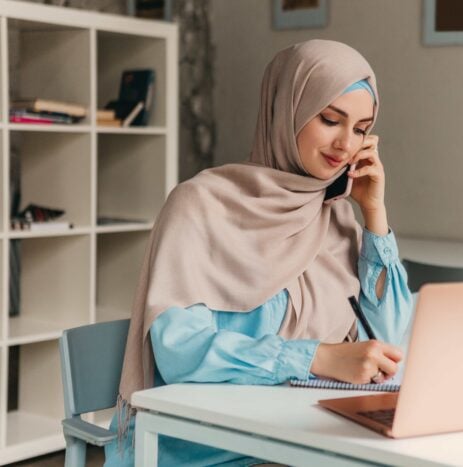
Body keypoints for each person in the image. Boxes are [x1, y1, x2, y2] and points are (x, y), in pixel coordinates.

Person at [104, 39, 413, 467]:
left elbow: (390, 343)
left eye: (360, 129)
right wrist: (317, 358)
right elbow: (179, 351)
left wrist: (375, 214)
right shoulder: (201, 205)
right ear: (285, 111)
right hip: (206, 445)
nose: (345, 144)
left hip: (308, 437)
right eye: (329, 119)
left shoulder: (336, 217)